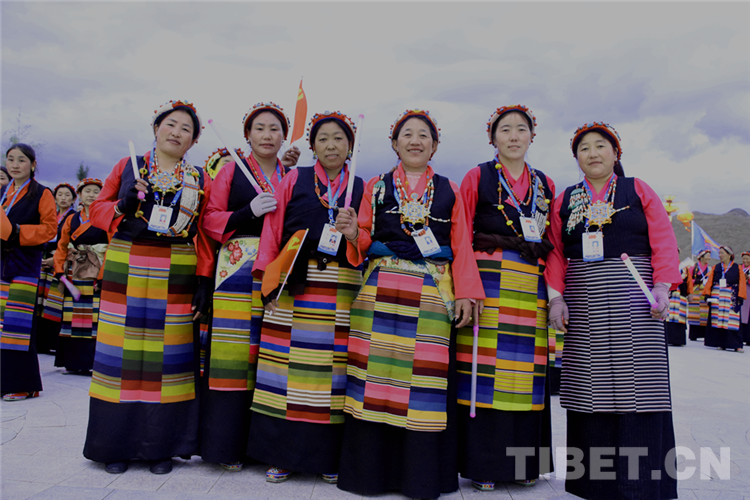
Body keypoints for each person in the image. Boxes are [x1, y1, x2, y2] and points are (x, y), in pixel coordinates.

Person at [335, 109, 484, 499]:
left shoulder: (450, 190)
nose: (415, 141)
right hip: (380, 290)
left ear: (435, 145)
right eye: (407, 134)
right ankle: (370, 475)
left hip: (432, 292)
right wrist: (351, 233)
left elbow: (462, 245)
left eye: (423, 135)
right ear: (394, 143)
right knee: (373, 381)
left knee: (424, 384)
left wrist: (467, 292)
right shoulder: (376, 186)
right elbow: (363, 237)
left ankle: (420, 478)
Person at [546, 122, 681, 500]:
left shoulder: (638, 190)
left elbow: (663, 242)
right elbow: (555, 252)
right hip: (584, 299)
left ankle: (642, 483)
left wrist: (662, 288)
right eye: (584, 148)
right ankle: (594, 482)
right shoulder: (566, 199)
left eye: (600, 145)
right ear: (576, 158)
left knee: (640, 385)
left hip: (635, 300)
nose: (592, 153)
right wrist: (557, 299)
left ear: (616, 152)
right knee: (588, 385)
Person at [83, 100, 215, 475]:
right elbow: (97, 209)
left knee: (168, 359)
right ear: (156, 128)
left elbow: (204, 231)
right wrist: (121, 206)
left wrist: (204, 279)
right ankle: (115, 445)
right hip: (126, 262)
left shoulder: (200, 177)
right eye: (170, 124)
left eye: (186, 129)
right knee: (120, 356)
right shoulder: (128, 166)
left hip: (177, 269)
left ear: (194, 140)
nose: (177, 132)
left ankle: (161, 447)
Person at [249, 110, 363, 484]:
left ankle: (328, 456)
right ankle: (281, 455)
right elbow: (272, 230)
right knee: (284, 370)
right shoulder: (293, 179)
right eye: (323, 138)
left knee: (333, 372)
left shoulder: (361, 186)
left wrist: (354, 233)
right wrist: (266, 281)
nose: (331, 145)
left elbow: (367, 239)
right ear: (312, 145)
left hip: (342, 288)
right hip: (293, 283)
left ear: (350, 145)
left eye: (339, 138)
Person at [456, 105, 555, 490]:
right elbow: (461, 234)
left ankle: (525, 464)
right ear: (492, 137)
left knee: (526, 376)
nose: (514, 136)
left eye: (521, 129)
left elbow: (554, 243)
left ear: (532, 135)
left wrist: (555, 294)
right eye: (505, 129)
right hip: (488, 285)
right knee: (483, 373)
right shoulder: (477, 176)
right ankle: (483, 464)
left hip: (531, 286)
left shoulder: (544, 184)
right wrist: (468, 288)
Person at [199, 102, 298, 471]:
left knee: (273, 354)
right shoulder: (231, 171)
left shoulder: (291, 175)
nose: (267, 135)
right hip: (237, 268)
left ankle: (264, 447)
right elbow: (209, 218)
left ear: (284, 136)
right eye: (260, 128)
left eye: (275, 129)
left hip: (278, 269)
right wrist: (246, 213)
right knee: (234, 355)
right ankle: (226, 445)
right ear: (247, 135)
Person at [1, 144, 57, 401]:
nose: (15, 165)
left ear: (33, 165)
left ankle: (25, 384)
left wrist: (17, 231)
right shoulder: (3, 192)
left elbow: (49, 229)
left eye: (21, 160)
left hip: (24, 264)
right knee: (2, 324)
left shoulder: (42, 193)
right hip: (2, 262)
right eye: (10, 159)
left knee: (18, 325)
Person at [53, 178, 110, 374]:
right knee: (72, 316)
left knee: (93, 318)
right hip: (74, 269)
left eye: (96, 191)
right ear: (79, 195)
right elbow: (62, 245)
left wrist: (103, 275)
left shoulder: (106, 217)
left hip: (95, 269)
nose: (91, 195)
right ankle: (72, 362)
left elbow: (112, 246)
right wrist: (59, 269)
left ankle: (91, 362)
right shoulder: (72, 219)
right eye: (87, 191)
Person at [36, 182, 77, 354]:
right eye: (59, 195)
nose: (63, 198)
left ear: (74, 199)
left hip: (60, 263)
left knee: (55, 304)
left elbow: (72, 243)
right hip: (43, 262)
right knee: (41, 303)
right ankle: (40, 342)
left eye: (67, 195)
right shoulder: (51, 215)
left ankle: (53, 342)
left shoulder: (74, 217)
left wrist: (55, 260)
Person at [703, 245, 747, 353]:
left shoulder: (737, 267)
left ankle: (736, 345)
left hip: (732, 296)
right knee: (719, 320)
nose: (720, 255)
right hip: (718, 296)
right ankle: (721, 343)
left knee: (733, 320)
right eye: (719, 253)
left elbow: (742, 282)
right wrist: (707, 294)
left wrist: (741, 296)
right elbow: (710, 281)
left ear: (729, 255)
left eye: (722, 253)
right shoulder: (716, 267)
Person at [686, 250, 711, 341]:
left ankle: (704, 334)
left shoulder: (710, 269)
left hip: (704, 292)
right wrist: (695, 281)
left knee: (705, 313)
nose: (709, 258)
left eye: (709, 256)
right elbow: (688, 279)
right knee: (694, 313)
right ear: (701, 257)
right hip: (695, 292)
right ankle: (694, 334)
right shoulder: (693, 268)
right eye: (707, 256)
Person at [666, 257, 689, 346]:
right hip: (669, 293)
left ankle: (679, 340)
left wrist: (689, 292)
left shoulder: (684, 267)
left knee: (679, 317)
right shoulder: (667, 264)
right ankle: (668, 339)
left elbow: (689, 282)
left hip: (680, 294)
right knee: (668, 316)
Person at [741, 251, 750, 345]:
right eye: (744, 258)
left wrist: (748, 278)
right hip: (741, 293)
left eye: (747, 258)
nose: (745, 260)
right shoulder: (740, 268)